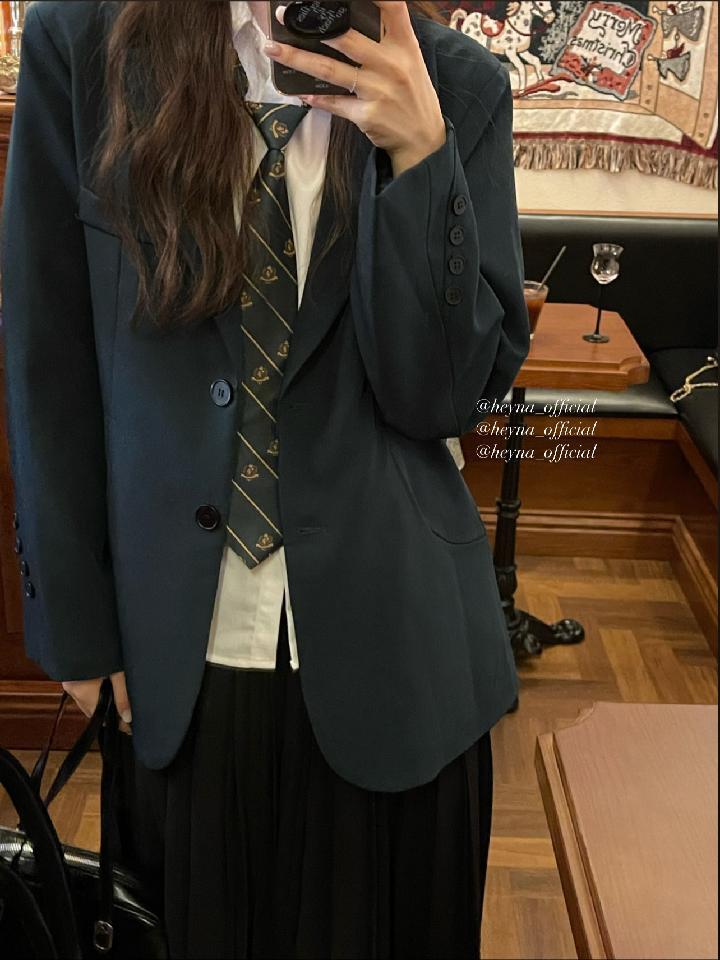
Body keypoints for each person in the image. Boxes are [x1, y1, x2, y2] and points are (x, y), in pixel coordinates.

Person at [0, 1, 530, 957]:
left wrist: (420, 155)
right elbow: (48, 354)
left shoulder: (458, 86)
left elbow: (441, 398)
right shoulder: (83, 45)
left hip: (399, 664)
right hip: (175, 662)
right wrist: (72, 622)